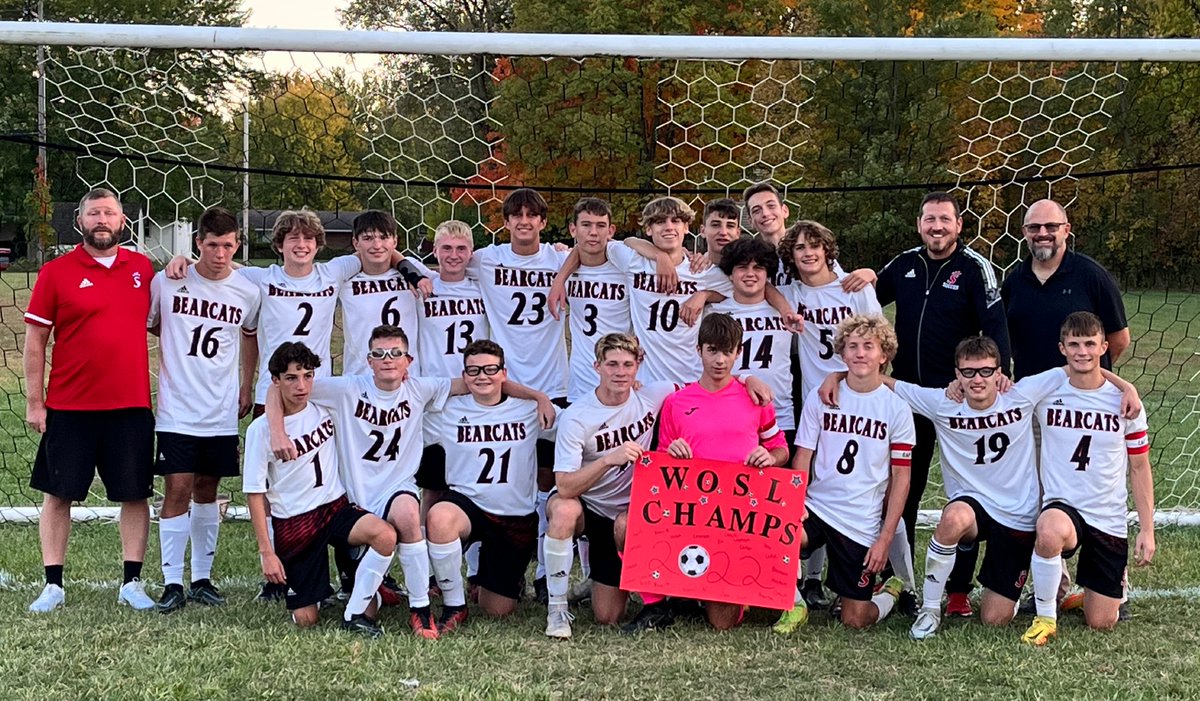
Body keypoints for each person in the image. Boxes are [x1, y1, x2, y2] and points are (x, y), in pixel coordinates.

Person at [266, 326, 554, 638]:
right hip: (355, 500)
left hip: (397, 488)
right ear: (369, 360)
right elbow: (279, 386)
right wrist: (277, 430)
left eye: (396, 353)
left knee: (408, 515)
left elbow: (484, 380)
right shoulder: (346, 388)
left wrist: (538, 396)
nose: (387, 359)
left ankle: (422, 610)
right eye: (379, 354)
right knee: (368, 606)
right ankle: (367, 587)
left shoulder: (421, 388)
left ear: (409, 361)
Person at [841, 192, 1011, 615]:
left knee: (970, 489)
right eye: (930, 220)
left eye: (945, 220)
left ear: (958, 225)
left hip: (959, 398)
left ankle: (957, 589)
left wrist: (992, 373)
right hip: (907, 398)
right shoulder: (905, 264)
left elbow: (994, 325)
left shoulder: (975, 268)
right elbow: (863, 302)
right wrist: (864, 275)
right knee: (903, 492)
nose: (937, 227)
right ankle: (901, 581)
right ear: (919, 225)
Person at [25, 187, 157, 613]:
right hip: (70, 406)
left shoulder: (143, 269)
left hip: (131, 405)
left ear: (123, 222)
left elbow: (169, 316)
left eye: (110, 213)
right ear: (80, 221)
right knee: (58, 494)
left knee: (135, 495)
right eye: (94, 213)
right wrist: (34, 401)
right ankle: (53, 585)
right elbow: (35, 341)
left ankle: (132, 583)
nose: (102, 220)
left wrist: (179, 266)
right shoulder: (56, 272)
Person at [632, 314, 790, 633]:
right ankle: (657, 603)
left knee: (722, 623)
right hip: (690, 514)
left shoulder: (756, 398)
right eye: (712, 350)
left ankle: (705, 594)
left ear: (738, 352)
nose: (719, 360)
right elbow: (660, 467)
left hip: (736, 517)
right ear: (699, 349)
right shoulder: (677, 403)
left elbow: (781, 449)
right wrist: (672, 454)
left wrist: (770, 457)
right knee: (626, 525)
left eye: (727, 351)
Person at [243, 342, 397, 638]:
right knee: (306, 619)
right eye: (291, 378)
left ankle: (358, 590)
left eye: (308, 376)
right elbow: (254, 493)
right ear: (275, 382)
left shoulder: (326, 406)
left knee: (385, 534)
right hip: (295, 522)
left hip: (334, 507)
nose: (301, 385)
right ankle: (325, 584)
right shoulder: (260, 431)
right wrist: (267, 552)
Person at [149, 206, 260, 613]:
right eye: (212, 245)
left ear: (237, 246)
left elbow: (249, 337)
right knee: (177, 487)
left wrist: (246, 384)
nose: (219, 253)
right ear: (198, 243)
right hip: (177, 407)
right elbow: (152, 324)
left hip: (220, 410)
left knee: (208, 491)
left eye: (228, 245)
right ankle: (172, 582)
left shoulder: (247, 290)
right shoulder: (168, 280)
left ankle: (202, 578)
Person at [1021, 312, 1153, 645]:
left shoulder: (1126, 403)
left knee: (1101, 622)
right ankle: (1045, 619)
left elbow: (1139, 467)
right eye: (1074, 345)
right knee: (1049, 529)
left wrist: (1147, 531)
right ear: (1062, 348)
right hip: (1063, 506)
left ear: (1104, 347)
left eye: (1090, 344)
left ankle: (1096, 594)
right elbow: (997, 391)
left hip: (1107, 515)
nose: (1083, 352)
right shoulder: (1047, 386)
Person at [466, 188, 571, 602]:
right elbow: (443, 258)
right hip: (502, 388)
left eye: (533, 215)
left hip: (553, 387)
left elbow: (603, 249)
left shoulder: (560, 258)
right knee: (490, 479)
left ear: (544, 223)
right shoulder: (485, 258)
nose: (524, 221)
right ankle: (477, 571)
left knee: (549, 485)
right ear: (505, 222)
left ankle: (546, 574)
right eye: (516, 215)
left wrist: (564, 269)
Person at [776, 220, 884, 609]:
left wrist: (843, 374)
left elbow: (883, 343)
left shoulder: (854, 288)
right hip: (814, 403)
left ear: (827, 250)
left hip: (858, 399)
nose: (807, 253)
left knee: (870, 487)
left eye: (814, 246)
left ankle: (892, 577)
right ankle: (811, 580)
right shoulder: (791, 291)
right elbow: (768, 290)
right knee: (815, 485)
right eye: (799, 248)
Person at [543, 334, 679, 639]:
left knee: (608, 616)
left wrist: (747, 378)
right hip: (588, 506)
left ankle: (601, 580)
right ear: (597, 366)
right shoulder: (578, 416)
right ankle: (557, 608)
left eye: (628, 365)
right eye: (612, 364)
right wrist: (607, 461)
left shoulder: (653, 394)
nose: (620, 372)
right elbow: (564, 485)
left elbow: (702, 388)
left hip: (628, 516)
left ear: (638, 366)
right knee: (563, 510)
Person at [791, 314, 914, 630]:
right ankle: (795, 604)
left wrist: (885, 538)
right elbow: (803, 455)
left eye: (868, 347)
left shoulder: (896, 408)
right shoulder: (822, 397)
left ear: (883, 355)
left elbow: (901, 478)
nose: (860, 353)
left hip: (860, 520)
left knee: (855, 620)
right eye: (852, 346)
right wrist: (796, 504)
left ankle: (890, 592)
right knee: (778, 532)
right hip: (818, 506)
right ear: (842, 354)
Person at [425, 340, 556, 631]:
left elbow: (577, 424)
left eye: (489, 369)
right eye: (473, 371)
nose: (481, 376)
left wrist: (540, 397)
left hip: (514, 514)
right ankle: (454, 604)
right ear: (464, 375)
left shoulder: (528, 410)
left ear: (504, 373)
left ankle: (494, 578)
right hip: (468, 502)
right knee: (440, 516)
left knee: (497, 609)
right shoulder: (446, 410)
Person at [1003, 199, 1129, 381]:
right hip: (1031, 395)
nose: (1042, 233)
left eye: (1051, 226)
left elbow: (1119, 340)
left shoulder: (1093, 276)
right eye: (1034, 227)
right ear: (1024, 232)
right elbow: (1006, 340)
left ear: (1067, 230)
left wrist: (1087, 374)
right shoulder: (1013, 282)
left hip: (1081, 397)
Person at [415, 220, 490, 525]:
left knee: (474, 485)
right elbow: (394, 257)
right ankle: (423, 562)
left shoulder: (483, 287)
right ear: (435, 250)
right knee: (433, 486)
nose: (454, 255)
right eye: (446, 247)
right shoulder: (422, 285)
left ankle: (472, 559)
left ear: (472, 253)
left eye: (461, 248)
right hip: (436, 397)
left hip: (475, 395)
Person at [710, 238, 796, 446]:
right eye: (742, 267)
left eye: (758, 267)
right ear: (730, 273)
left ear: (767, 274)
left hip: (779, 415)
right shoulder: (713, 312)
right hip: (728, 416)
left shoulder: (788, 310)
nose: (750, 274)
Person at [339, 210, 427, 377]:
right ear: (355, 243)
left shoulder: (413, 271)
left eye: (384, 237)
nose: (377, 245)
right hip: (360, 377)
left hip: (407, 378)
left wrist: (409, 272)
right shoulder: (344, 278)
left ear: (395, 241)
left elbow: (446, 278)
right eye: (368, 238)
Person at [560, 197, 632, 403]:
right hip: (580, 382)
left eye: (601, 226)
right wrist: (560, 278)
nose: (593, 232)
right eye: (586, 225)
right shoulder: (562, 264)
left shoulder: (627, 269)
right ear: (573, 229)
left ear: (611, 231)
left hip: (621, 379)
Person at [699, 197, 743, 267]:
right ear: (703, 231)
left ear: (738, 233)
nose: (723, 232)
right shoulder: (690, 272)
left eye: (730, 226)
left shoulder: (749, 273)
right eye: (716, 225)